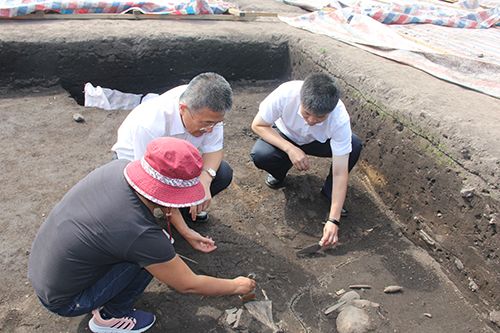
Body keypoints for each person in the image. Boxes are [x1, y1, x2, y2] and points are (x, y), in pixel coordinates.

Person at [28, 137, 256, 333]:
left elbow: (160, 196)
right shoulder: (140, 233)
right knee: (158, 250)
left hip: (44, 270)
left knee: (154, 247)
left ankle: (104, 293)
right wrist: (236, 286)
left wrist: (185, 231)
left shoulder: (119, 169)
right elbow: (188, 284)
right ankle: (110, 316)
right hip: (68, 300)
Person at [250, 73, 362, 249]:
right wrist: (290, 149)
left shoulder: (339, 118)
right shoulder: (286, 93)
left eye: (319, 118)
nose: (311, 121)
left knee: (354, 145)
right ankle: (279, 172)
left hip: (318, 142)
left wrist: (334, 220)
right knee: (261, 154)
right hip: (284, 135)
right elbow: (258, 125)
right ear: (300, 99)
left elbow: (341, 171)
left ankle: (329, 193)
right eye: (306, 113)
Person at [111, 72, 233, 223]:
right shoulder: (150, 123)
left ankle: (185, 210)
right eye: (205, 123)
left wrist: (204, 181)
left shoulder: (210, 112)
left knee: (222, 173)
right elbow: (148, 179)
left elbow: (214, 150)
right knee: (135, 204)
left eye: (216, 123)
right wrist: (185, 231)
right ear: (183, 109)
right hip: (138, 164)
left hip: (176, 163)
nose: (210, 129)